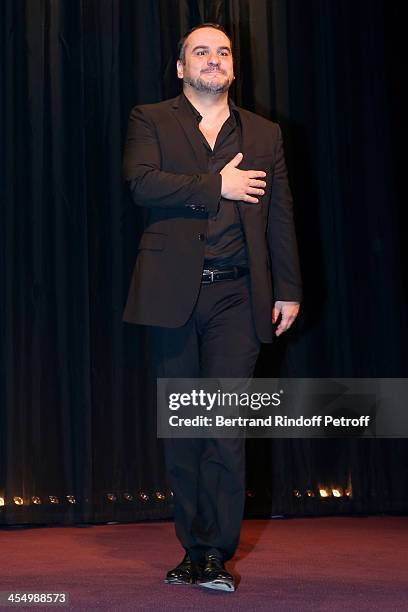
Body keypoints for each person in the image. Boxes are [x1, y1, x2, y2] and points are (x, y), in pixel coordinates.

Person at [122, 23, 302, 592]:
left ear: (231, 66)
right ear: (181, 68)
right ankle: (190, 549)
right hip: (172, 294)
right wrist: (214, 184)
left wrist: (289, 288)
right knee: (184, 430)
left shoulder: (266, 133)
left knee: (224, 428)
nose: (213, 59)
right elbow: (141, 184)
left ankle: (215, 556)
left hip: (236, 296)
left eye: (222, 51)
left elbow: (280, 214)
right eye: (201, 51)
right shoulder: (150, 119)